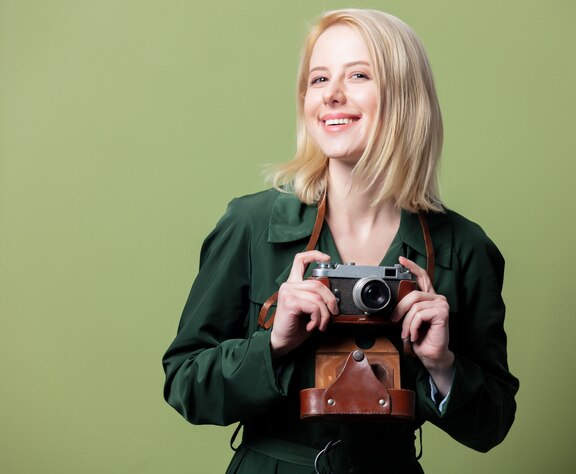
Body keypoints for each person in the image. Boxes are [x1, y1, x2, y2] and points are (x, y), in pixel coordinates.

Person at [162, 8, 519, 474]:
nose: (331, 95)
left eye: (358, 75)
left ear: (404, 96)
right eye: (318, 79)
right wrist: (273, 346)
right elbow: (185, 384)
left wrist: (442, 364)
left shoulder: (463, 247)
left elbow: (491, 425)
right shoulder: (250, 224)